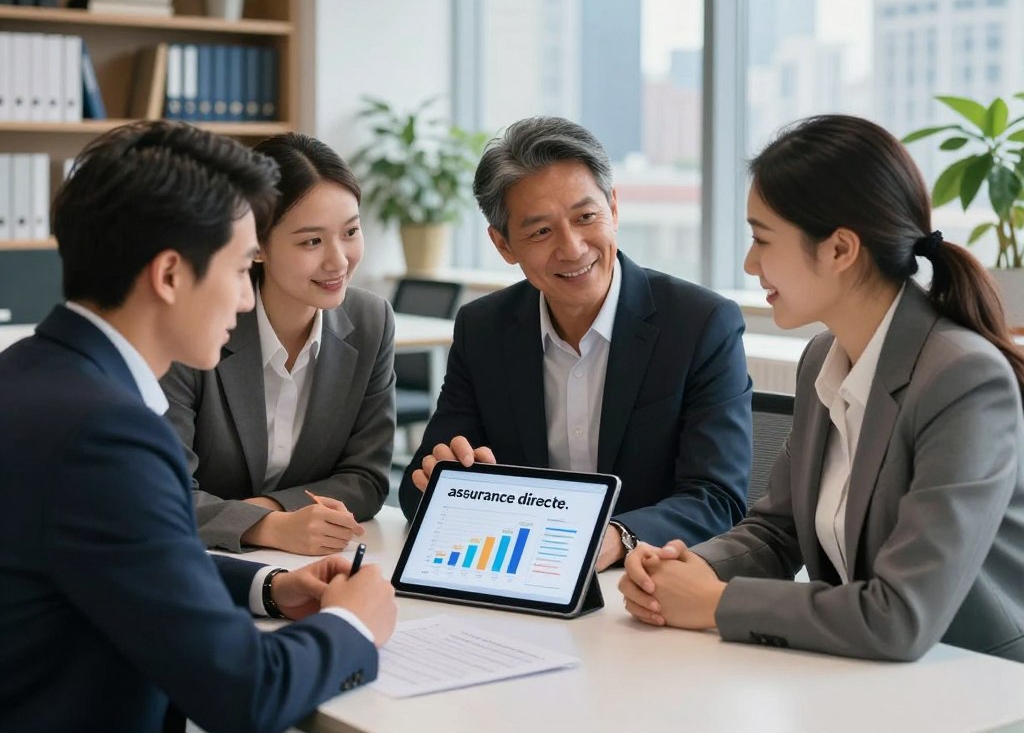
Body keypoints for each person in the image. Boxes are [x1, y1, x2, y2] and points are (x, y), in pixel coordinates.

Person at [0, 121, 397, 733]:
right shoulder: (107, 436)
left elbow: (124, 559)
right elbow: (245, 693)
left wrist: (270, 586)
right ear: (169, 276)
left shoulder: (29, 374)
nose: (246, 299)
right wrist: (354, 625)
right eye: (241, 268)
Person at [619, 114, 1024, 663]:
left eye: (762, 239)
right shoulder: (822, 361)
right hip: (860, 675)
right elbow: (777, 530)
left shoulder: (963, 378)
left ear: (839, 250)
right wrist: (687, 568)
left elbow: (900, 615)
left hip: (978, 683)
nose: (749, 262)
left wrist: (716, 603)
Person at [399, 116, 752, 570]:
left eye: (586, 217)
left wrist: (615, 537)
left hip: (644, 584)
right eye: (541, 231)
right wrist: (444, 478)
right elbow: (414, 489)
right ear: (503, 245)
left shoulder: (700, 324)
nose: (572, 248)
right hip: (522, 575)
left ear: (615, 208)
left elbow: (717, 498)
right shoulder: (484, 328)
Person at [163, 133, 396, 554]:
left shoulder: (371, 321)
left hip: (305, 564)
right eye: (312, 241)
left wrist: (270, 510)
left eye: (350, 232)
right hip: (197, 562)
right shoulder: (194, 327)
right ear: (256, 247)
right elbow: (163, 492)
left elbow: (367, 478)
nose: (339, 260)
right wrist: (266, 527)